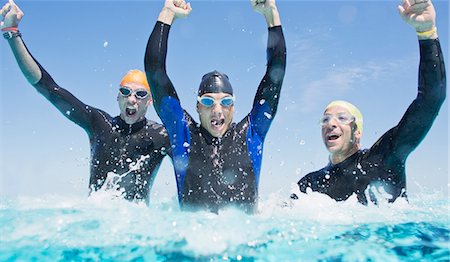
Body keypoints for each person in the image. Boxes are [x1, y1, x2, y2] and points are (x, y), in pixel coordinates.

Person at [1, 0, 169, 204]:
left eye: (140, 94)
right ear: (118, 97)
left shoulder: (160, 136)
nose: (131, 99)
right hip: (95, 222)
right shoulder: (99, 123)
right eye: (125, 92)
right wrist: (12, 33)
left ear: (150, 101)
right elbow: (48, 87)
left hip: (136, 226)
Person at [292, 0, 446, 205]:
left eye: (342, 118)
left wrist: (427, 33)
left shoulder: (384, 157)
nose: (331, 123)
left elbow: (431, 99)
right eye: (326, 119)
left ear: (357, 132)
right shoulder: (309, 185)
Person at [145, 0, 286, 213]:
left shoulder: (251, 133)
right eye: (208, 102)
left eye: (226, 102)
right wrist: (167, 14)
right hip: (192, 243)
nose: (218, 110)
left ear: (234, 107)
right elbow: (155, 71)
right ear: (198, 107)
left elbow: (275, 74)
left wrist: (271, 15)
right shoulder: (183, 134)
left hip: (246, 242)